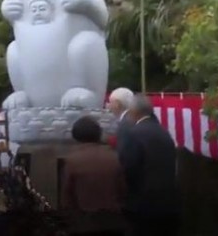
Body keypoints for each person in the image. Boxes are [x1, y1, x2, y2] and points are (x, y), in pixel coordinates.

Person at [117, 94, 180, 236]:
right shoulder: (164, 133)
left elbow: (128, 168)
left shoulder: (134, 134)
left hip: (143, 204)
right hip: (169, 202)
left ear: (133, 112)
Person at [61, 116, 126, 236]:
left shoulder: (72, 160)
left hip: (84, 223)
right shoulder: (114, 157)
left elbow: (68, 194)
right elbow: (122, 189)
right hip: (113, 222)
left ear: (75, 135)